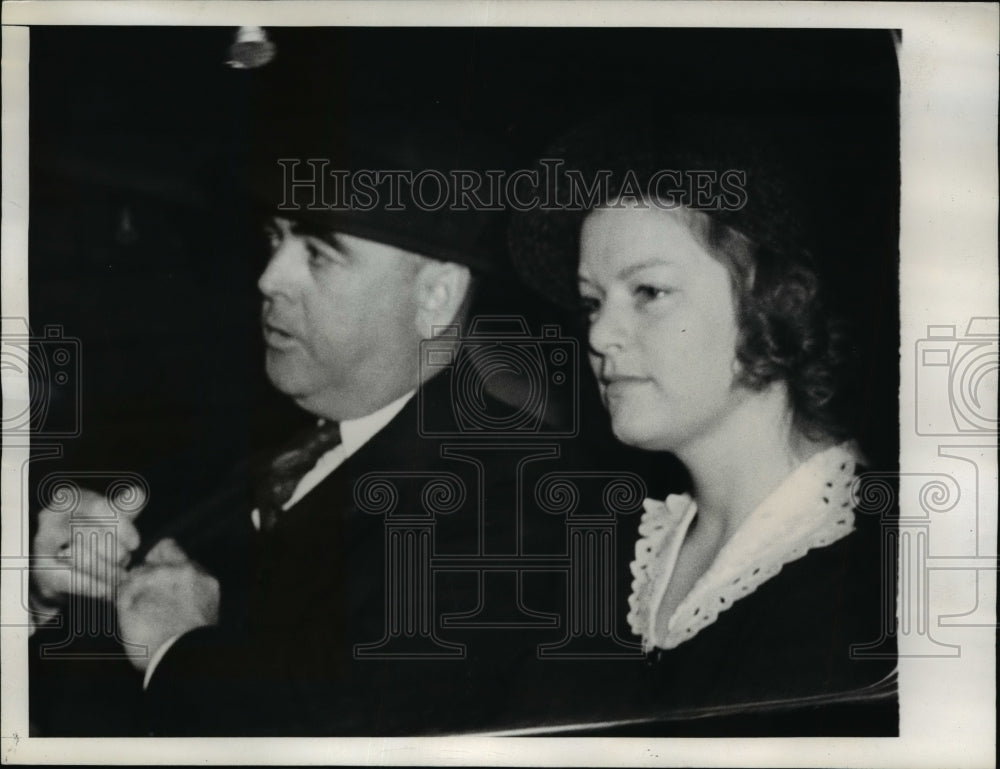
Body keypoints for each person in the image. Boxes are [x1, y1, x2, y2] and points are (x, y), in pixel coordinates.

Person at [27, 117, 593, 736]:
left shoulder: (513, 507)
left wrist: (179, 653)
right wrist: (53, 594)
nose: (269, 277)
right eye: (277, 237)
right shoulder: (246, 443)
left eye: (319, 253)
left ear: (435, 296)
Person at [506, 111, 899, 734]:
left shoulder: (878, 581)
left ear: (772, 298)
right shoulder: (608, 559)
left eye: (649, 292)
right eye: (591, 302)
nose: (600, 334)